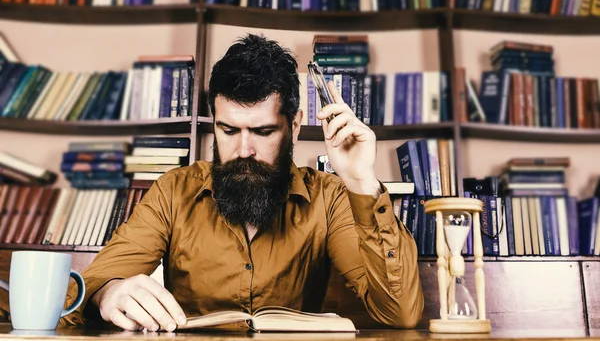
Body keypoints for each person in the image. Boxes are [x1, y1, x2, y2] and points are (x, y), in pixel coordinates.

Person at [61, 34, 423, 331]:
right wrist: (108, 293)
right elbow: (85, 288)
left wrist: (361, 180)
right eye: (228, 130)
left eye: (263, 131)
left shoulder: (327, 198)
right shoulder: (174, 191)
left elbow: (400, 313)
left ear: (293, 126)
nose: (243, 150)